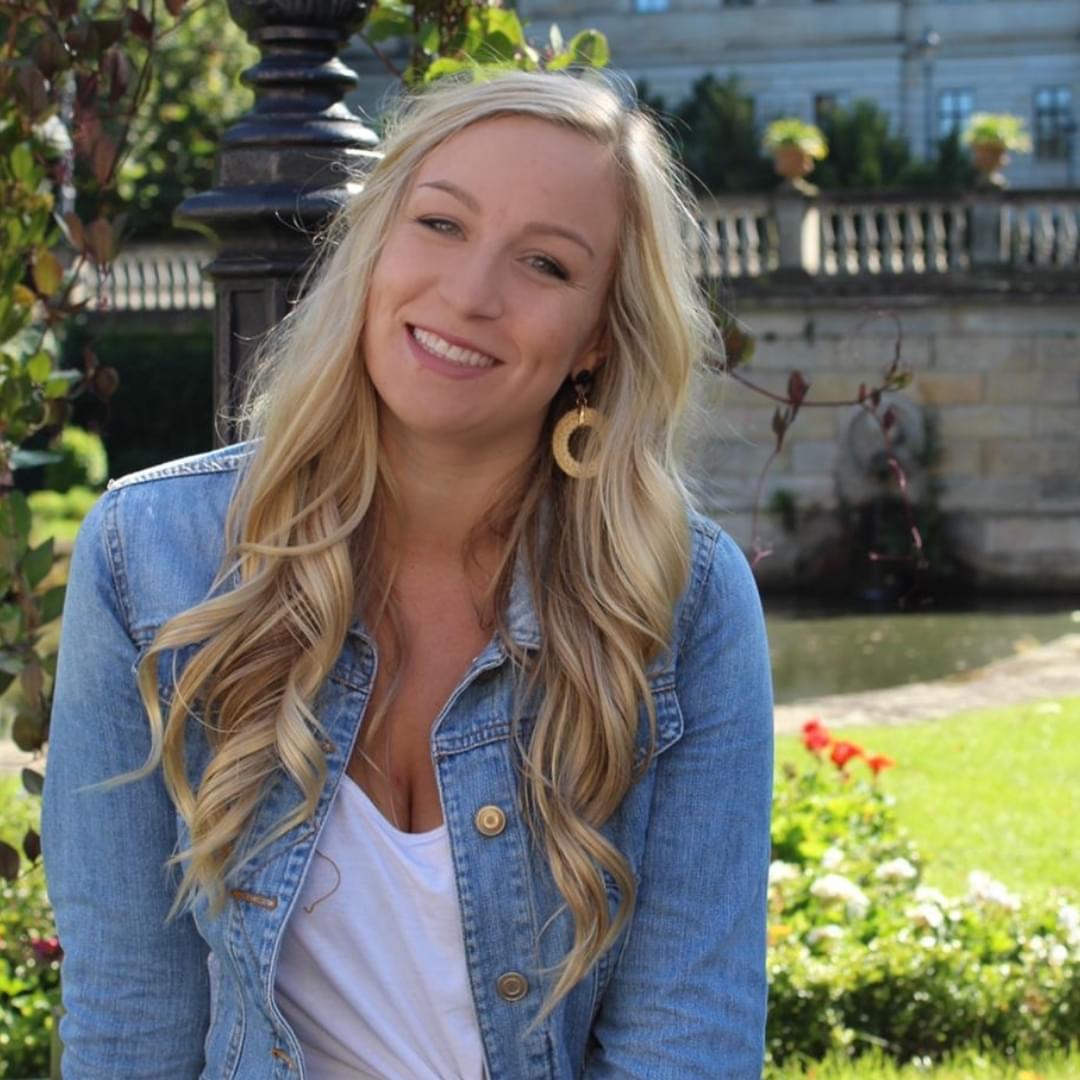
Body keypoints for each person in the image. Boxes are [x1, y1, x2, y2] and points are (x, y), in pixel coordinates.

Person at [42, 70, 774, 1079]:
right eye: (440, 224)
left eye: (546, 264)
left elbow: (687, 1040)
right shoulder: (150, 554)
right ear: (375, 243)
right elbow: (130, 1018)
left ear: (599, 336)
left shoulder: (679, 598)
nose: (470, 294)